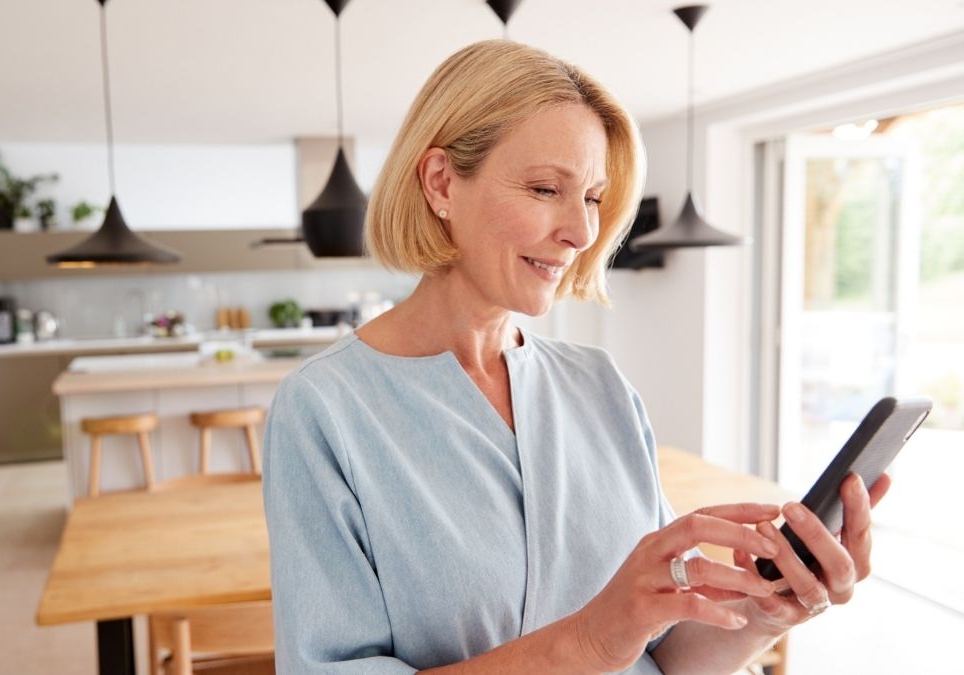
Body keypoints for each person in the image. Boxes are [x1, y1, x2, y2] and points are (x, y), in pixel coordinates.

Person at [262, 40, 888, 674]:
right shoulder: (325, 409)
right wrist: (588, 640)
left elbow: (661, 654)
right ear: (441, 182)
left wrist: (765, 612)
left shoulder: (599, 385)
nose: (584, 232)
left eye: (591, 197)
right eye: (544, 189)